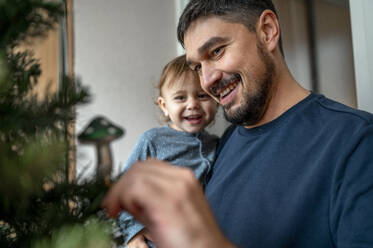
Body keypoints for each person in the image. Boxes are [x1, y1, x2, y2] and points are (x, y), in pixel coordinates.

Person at [103, 0, 373, 247]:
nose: (206, 81)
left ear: (267, 31)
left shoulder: (357, 140)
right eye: (197, 67)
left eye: (217, 51)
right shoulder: (222, 144)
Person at [117, 55, 219, 248]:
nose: (192, 104)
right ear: (164, 106)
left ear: (216, 101)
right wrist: (133, 234)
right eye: (180, 97)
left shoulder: (217, 145)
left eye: (202, 95)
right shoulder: (153, 141)